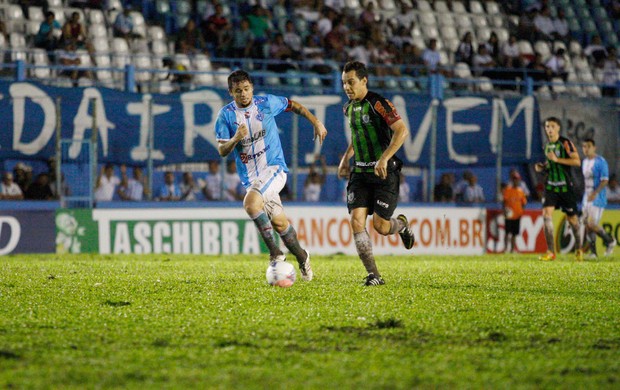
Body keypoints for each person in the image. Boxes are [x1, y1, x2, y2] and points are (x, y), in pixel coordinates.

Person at [214, 69, 327, 281]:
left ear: (252, 88)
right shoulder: (225, 115)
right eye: (238, 91)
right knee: (280, 224)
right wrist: (236, 138)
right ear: (231, 92)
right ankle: (303, 256)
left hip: (275, 169)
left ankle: (275, 253)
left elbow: (295, 106)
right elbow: (222, 150)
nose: (243, 94)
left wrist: (316, 122)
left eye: (246, 89)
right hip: (253, 179)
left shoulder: (266, 103)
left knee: (250, 204)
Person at [337, 61, 415, 286]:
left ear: (364, 81)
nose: (347, 87)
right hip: (360, 173)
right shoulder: (348, 108)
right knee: (356, 221)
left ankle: (401, 225)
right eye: (344, 83)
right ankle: (374, 275)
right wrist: (345, 158)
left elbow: (402, 130)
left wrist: (384, 158)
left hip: (383, 173)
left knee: (381, 227)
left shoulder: (379, 103)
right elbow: (358, 135)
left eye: (351, 82)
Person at [534, 117, 583, 261]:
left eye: (552, 126)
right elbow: (551, 165)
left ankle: (579, 249)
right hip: (551, 186)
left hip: (565, 187)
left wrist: (557, 159)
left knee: (573, 220)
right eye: (547, 126)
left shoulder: (565, 143)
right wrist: (542, 167)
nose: (549, 129)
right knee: (546, 215)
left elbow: (577, 161)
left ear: (558, 128)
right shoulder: (547, 146)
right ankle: (551, 252)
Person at [580, 139, 616, 258]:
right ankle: (593, 253)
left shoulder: (601, 162)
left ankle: (610, 240)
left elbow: (605, 180)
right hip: (587, 197)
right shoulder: (584, 162)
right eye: (584, 146)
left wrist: (595, 193)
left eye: (588, 146)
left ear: (594, 147)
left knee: (591, 224)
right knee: (587, 225)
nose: (586, 149)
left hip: (597, 198)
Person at [503, 171, 527, 253]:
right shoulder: (508, 190)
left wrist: (521, 211)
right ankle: (505, 249)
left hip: (517, 215)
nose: (516, 181)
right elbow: (504, 201)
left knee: (514, 233)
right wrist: (505, 211)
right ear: (512, 180)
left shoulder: (520, 191)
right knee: (507, 232)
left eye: (517, 179)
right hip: (509, 215)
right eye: (514, 179)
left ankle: (512, 249)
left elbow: (523, 203)